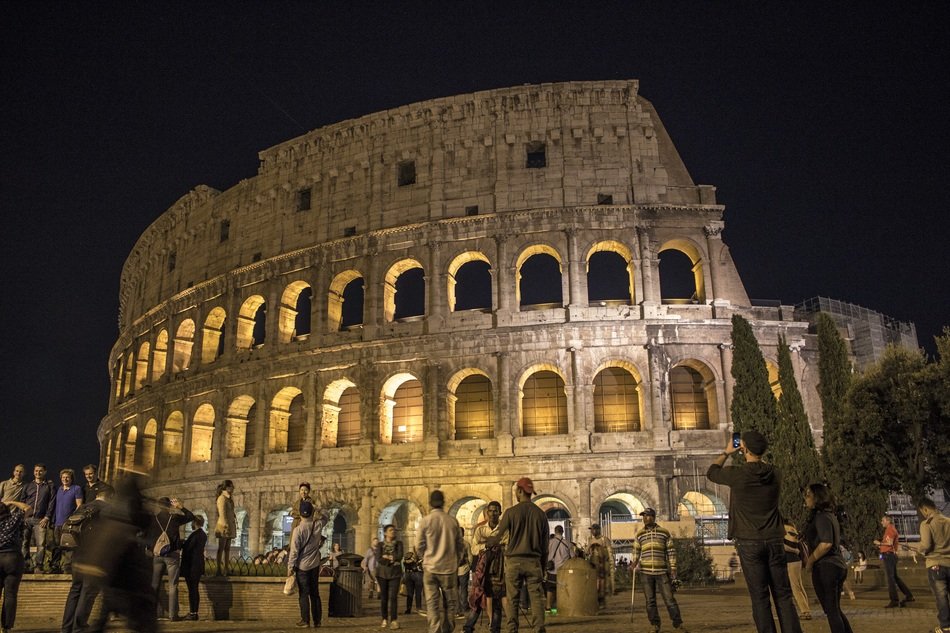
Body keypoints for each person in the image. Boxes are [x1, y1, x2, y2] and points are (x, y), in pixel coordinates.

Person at [706, 430, 802, 633]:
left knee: (760, 597)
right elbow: (763, 467)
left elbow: (712, 472)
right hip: (775, 539)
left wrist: (727, 452)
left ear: (744, 448)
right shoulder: (776, 473)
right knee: (783, 595)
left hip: (749, 541)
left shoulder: (738, 474)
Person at [486, 477, 548, 633]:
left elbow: (498, 536)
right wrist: (543, 565)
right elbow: (545, 547)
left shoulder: (510, 512)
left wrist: (489, 541)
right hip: (534, 561)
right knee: (536, 599)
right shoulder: (541, 515)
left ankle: (512, 629)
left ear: (519, 491)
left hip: (513, 562)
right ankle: (539, 629)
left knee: (512, 598)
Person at [801, 483, 852, 633]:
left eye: (809, 495)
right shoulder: (829, 516)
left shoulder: (822, 517)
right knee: (833, 609)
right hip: (835, 566)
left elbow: (826, 543)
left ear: (817, 498)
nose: (806, 498)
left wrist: (810, 561)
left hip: (826, 567)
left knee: (831, 610)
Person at [61, 486, 111, 633]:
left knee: (75, 590)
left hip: (77, 554)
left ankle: (66, 628)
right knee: (88, 591)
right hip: (94, 556)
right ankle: (79, 627)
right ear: (110, 496)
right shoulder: (107, 509)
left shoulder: (83, 507)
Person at [417, 489, 465, 633]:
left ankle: (434, 630)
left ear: (430, 503)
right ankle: (448, 629)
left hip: (430, 568)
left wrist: (424, 558)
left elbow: (419, 545)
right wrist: (456, 560)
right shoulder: (452, 521)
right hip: (449, 568)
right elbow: (460, 545)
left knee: (432, 604)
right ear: (443, 503)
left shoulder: (425, 521)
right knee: (450, 604)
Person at [631, 507, 686, 632]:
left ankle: (678, 623)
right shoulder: (639, 534)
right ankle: (655, 625)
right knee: (650, 601)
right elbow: (636, 551)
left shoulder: (664, 532)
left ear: (653, 517)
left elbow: (671, 551)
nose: (645, 518)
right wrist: (634, 563)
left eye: (648, 515)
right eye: (644, 516)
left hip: (661, 572)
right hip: (645, 572)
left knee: (669, 599)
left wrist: (673, 568)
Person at [147, 496, 195, 621]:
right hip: (172, 554)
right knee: (173, 585)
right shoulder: (174, 518)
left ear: (158, 506)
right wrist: (180, 507)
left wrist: (151, 549)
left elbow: (149, 536)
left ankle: (151, 613)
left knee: (155, 584)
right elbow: (191, 516)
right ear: (169, 506)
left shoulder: (154, 519)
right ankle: (173, 615)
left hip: (157, 555)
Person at [463, 500, 505, 633]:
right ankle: (469, 626)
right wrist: (487, 545)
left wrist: (495, 544)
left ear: (500, 513)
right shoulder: (480, 529)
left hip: (499, 569)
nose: (493, 514)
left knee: (497, 600)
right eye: (491, 511)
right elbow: (474, 549)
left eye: (496, 511)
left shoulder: (504, 529)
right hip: (483, 569)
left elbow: (507, 545)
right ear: (487, 512)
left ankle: (495, 627)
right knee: (479, 598)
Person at [288, 500, 328, 629]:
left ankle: (305, 620)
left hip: (302, 567)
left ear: (300, 514)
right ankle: (317, 621)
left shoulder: (298, 530)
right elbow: (326, 515)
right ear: (311, 512)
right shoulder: (317, 525)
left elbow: (294, 551)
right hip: (315, 565)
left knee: (303, 594)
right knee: (315, 593)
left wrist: (290, 567)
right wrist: (317, 507)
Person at [917, 497, 950, 633]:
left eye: (922, 512)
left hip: (935, 564)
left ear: (925, 509)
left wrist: (919, 550)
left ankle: (946, 626)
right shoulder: (948, 521)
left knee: (941, 598)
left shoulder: (927, 524)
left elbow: (926, 545)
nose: (923, 514)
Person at [0, 498, 31, 633]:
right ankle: (5, 627)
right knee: (10, 595)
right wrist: (11, 502)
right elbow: (28, 509)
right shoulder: (13, 520)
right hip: (13, 558)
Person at [20, 463, 56, 572]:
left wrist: (47, 517)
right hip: (27, 519)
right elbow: (22, 501)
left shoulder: (49, 486)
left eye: (40, 471)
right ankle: (25, 566)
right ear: (33, 472)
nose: (38, 473)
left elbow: (52, 502)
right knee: (24, 543)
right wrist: (23, 516)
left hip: (41, 519)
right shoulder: (27, 486)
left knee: (41, 544)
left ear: (44, 472)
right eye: (36, 471)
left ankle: (38, 566)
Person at [874, 514, 913, 608]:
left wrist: (879, 543)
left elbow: (890, 543)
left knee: (891, 578)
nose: (881, 522)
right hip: (890, 555)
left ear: (888, 521)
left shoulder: (890, 529)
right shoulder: (890, 529)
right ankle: (908, 595)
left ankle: (894, 600)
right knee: (895, 577)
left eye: (883, 520)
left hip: (889, 556)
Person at [51, 468, 84, 573]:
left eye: (67, 477)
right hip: (57, 523)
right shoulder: (59, 490)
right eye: (63, 477)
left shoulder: (76, 489)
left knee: (68, 546)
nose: (65, 479)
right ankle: (55, 566)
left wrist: (73, 520)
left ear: (71, 478)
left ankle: (67, 567)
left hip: (69, 523)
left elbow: (79, 505)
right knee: (56, 546)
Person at [782, 517, 811, 620]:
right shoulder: (793, 529)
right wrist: (796, 551)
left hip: (790, 561)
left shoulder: (782, 529)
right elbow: (797, 546)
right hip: (797, 561)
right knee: (799, 586)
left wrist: (793, 551)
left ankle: (805, 611)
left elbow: (782, 546)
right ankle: (806, 609)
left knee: (795, 587)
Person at [376, 524, 404, 629]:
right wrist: (392, 559)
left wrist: (387, 557)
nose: (393, 532)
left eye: (394, 530)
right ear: (385, 533)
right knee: (384, 598)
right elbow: (378, 558)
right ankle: (384, 618)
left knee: (393, 597)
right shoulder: (380, 545)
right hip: (382, 574)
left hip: (395, 573)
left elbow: (400, 556)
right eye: (391, 530)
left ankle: (394, 619)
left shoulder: (399, 544)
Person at [181, 515, 207, 621]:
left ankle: (193, 613)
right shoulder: (203, 534)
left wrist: (182, 543)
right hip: (198, 565)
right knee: (194, 589)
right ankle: (194, 612)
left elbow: (188, 548)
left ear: (194, 523)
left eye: (192, 522)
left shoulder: (195, 535)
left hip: (192, 566)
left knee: (192, 590)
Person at [544, 524, 572, 612]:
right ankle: (561, 607)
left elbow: (545, 554)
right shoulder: (567, 543)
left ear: (555, 532)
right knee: (562, 588)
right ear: (562, 531)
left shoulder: (550, 542)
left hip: (552, 570)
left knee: (550, 588)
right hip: (563, 570)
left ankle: (548, 607)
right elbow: (573, 556)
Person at [587, 523, 614, 608]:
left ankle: (602, 601)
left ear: (598, 530)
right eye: (591, 530)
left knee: (602, 584)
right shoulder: (590, 540)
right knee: (595, 584)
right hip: (593, 565)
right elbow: (587, 552)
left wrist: (611, 565)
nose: (592, 531)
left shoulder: (604, 539)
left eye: (593, 529)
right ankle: (595, 601)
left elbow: (609, 552)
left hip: (602, 564)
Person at [214, 480, 236, 576]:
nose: (233, 488)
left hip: (229, 526)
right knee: (221, 548)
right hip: (223, 526)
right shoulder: (222, 498)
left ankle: (226, 569)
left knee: (227, 549)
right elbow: (222, 514)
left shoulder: (228, 498)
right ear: (226, 488)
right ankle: (218, 569)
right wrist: (226, 526)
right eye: (231, 486)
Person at [402, 548, 424, 615]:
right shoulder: (422, 555)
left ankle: (408, 609)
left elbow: (404, 566)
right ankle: (418, 608)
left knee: (410, 593)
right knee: (418, 593)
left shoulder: (408, 555)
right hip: (418, 574)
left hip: (408, 574)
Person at [457, 527, 471, 617]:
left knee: (455, 590)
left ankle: (458, 608)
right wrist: (470, 565)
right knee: (463, 589)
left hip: (454, 570)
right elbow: (470, 556)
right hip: (464, 569)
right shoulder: (466, 544)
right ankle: (464, 607)